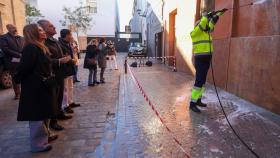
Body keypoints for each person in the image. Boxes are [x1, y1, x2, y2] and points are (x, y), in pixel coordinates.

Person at [14, 24, 57, 152]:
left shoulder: (40, 46)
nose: (43, 32)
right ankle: (38, 144)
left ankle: (46, 135)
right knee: (37, 116)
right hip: (35, 88)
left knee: (45, 112)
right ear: (33, 33)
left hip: (43, 86)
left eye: (42, 29)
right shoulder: (31, 48)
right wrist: (17, 79)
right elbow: (24, 68)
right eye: (40, 30)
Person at [189, 9, 227, 113]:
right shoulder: (195, 33)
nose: (207, 27)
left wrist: (218, 15)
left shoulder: (206, 32)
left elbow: (211, 23)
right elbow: (203, 23)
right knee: (199, 81)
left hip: (206, 59)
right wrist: (205, 16)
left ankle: (198, 100)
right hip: (200, 59)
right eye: (203, 23)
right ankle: (192, 104)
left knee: (203, 81)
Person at [38, 20, 72, 131]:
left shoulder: (54, 41)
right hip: (51, 74)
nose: (54, 27)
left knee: (59, 96)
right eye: (50, 26)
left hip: (60, 73)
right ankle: (53, 121)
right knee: (53, 98)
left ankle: (58, 114)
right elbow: (45, 61)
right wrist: (59, 61)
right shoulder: (43, 42)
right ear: (43, 28)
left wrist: (64, 59)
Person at [59, 29, 81, 114]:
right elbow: (64, 56)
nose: (71, 36)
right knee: (65, 88)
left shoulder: (68, 43)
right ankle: (65, 105)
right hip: (64, 68)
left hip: (70, 68)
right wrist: (72, 60)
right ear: (67, 35)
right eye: (70, 34)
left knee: (70, 87)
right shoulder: (60, 44)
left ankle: (70, 101)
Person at [0, 24, 24, 99]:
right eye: (13, 28)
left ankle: (25, 92)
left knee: (24, 76)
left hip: (22, 60)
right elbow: (5, 49)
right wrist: (18, 54)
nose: (15, 29)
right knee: (15, 77)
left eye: (15, 27)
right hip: (12, 62)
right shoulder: (3, 37)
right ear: (8, 28)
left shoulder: (20, 37)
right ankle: (17, 94)